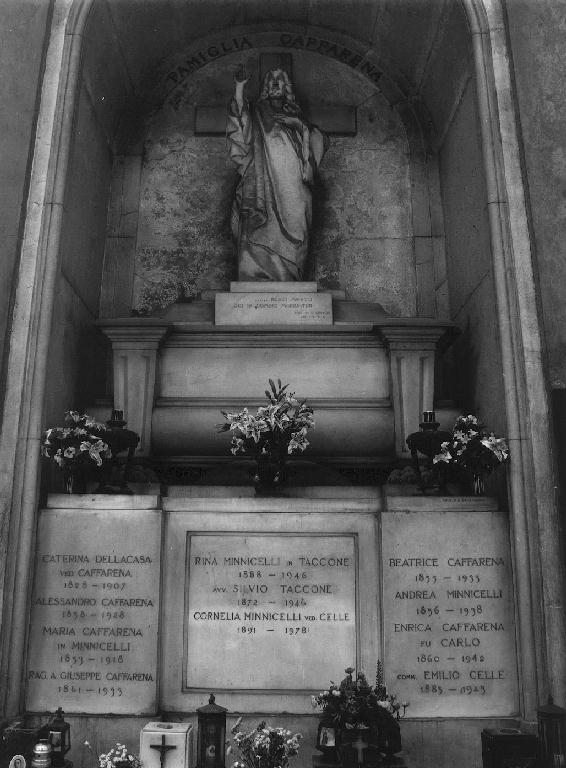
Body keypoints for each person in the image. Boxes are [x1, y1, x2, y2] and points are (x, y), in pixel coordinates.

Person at [226, 65, 328, 281]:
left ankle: (290, 276)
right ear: (265, 87)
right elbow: (240, 125)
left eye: (280, 79)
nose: (274, 83)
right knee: (258, 225)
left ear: (286, 86)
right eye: (270, 79)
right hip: (262, 178)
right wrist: (239, 88)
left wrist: (300, 126)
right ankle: (255, 274)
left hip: (292, 181)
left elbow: (317, 143)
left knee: (298, 220)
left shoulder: (296, 116)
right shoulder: (256, 112)